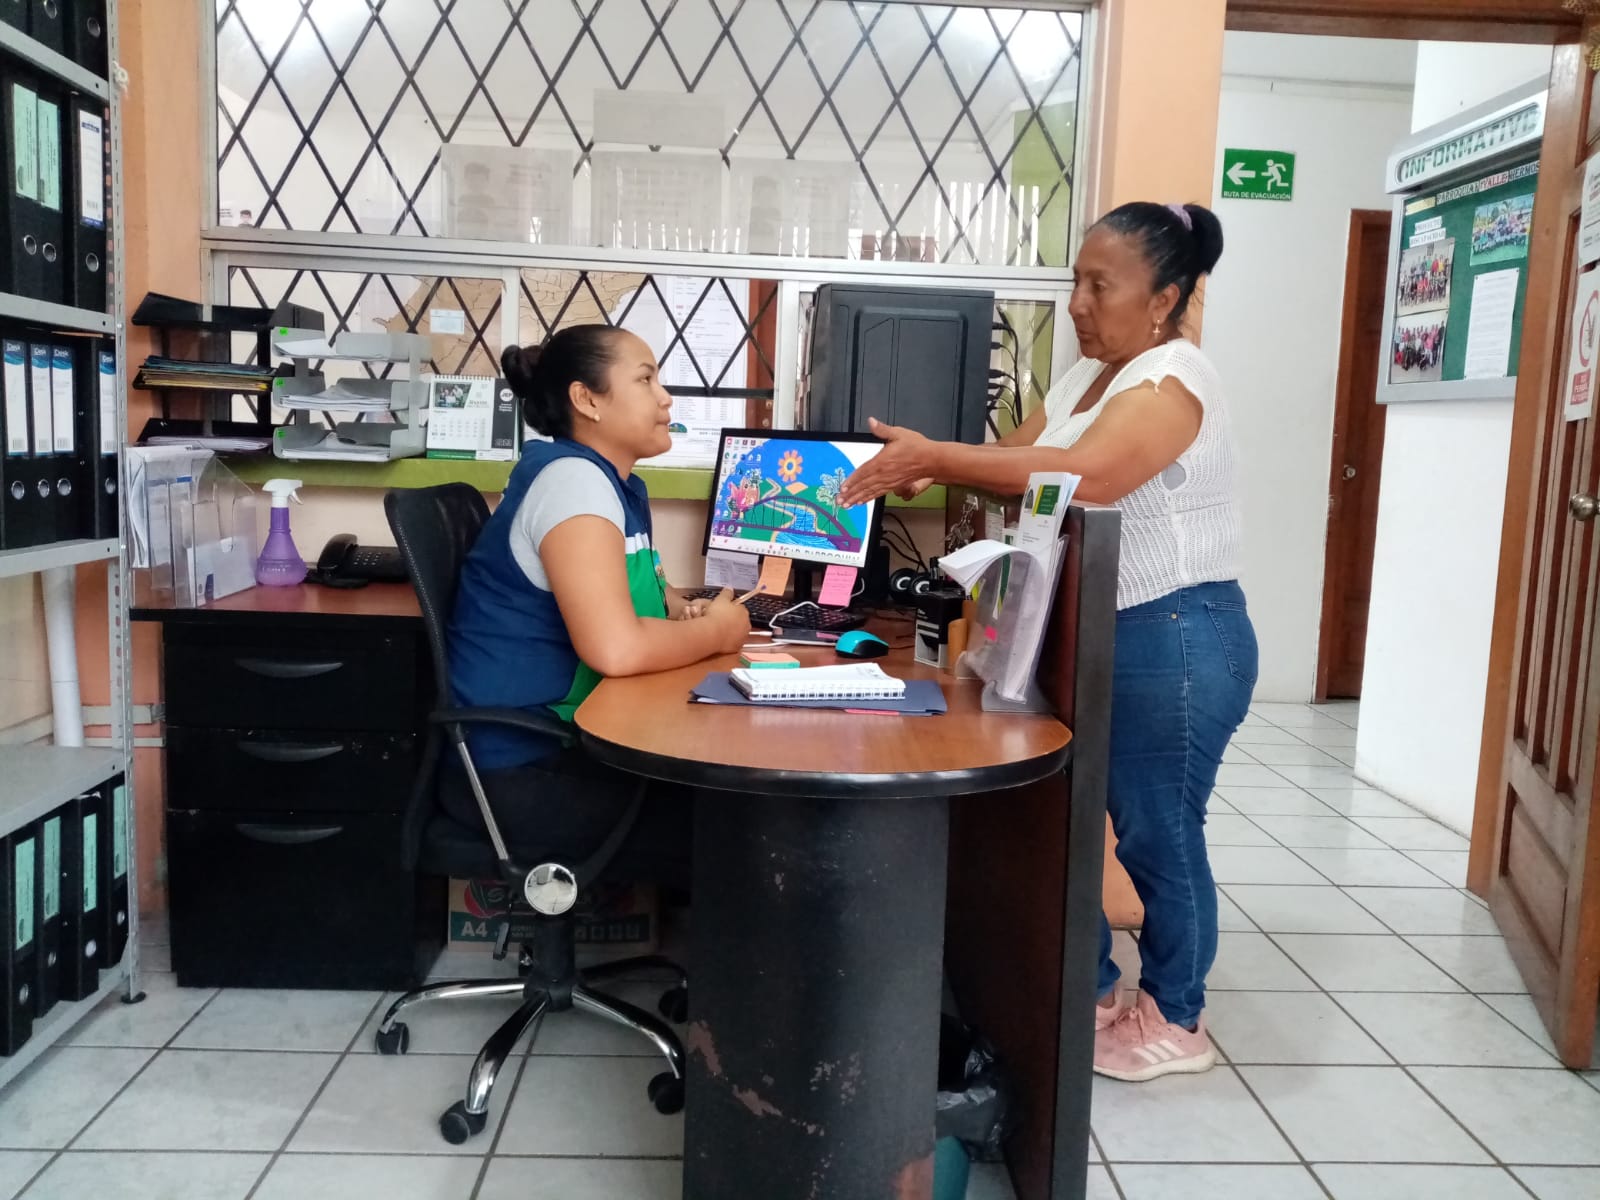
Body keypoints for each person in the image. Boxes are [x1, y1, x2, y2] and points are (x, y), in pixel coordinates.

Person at [840, 201, 1257, 1083]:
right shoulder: (1084, 381)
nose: (1076, 303)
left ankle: (1178, 1015)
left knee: (1158, 834)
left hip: (1176, 635)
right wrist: (928, 466)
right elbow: (1015, 467)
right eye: (1076, 281)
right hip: (1090, 633)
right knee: (1061, 815)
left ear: (1164, 299)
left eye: (1100, 286)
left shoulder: (1174, 378)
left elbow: (1088, 477)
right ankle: (1095, 988)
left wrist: (936, 457)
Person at [446, 325, 750, 886]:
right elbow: (615, 648)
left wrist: (689, 610)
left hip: (571, 742)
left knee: (730, 789)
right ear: (586, 400)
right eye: (645, 380)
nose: (665, 398)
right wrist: (720, 633)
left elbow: (645, 595)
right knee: (745, 824)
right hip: (525, 766)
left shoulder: (610, 484)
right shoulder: (572, 485)